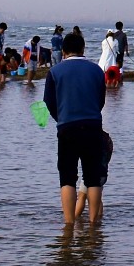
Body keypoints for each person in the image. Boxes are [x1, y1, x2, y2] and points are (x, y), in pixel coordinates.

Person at [41, 27, 109, 228]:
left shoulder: (54, 71)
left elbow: (49, 103)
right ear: (83, 49)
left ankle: (69, 224)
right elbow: (101, 100)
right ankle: (93, 222)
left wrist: (60, 118)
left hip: (67, 127)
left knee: (67, 177)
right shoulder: (96, 70)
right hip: (92, 126)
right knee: (93, 177)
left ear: (63, 51)